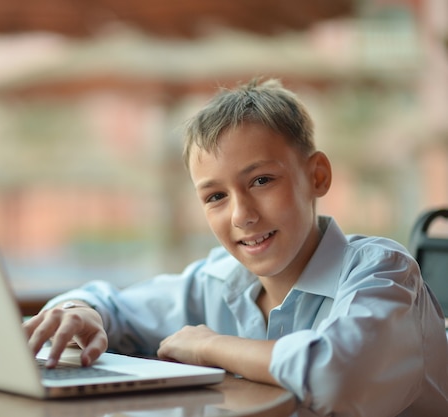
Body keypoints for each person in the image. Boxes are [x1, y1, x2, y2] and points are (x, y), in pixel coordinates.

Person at [23, 78, 448, 416]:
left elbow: (336, 374)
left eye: (261, 181)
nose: (241, 214)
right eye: (215, 197)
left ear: (316, 176)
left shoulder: (382, 272)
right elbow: (111, 304)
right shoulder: (219, 281)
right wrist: (80, 311)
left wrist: (209, 346)